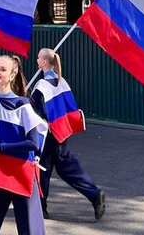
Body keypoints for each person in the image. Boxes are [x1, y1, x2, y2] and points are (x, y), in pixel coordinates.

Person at [0, 54, 47, 235]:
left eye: (2, 69)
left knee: (30, 230)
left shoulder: (23, 105)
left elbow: (34, 144)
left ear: (12, 75)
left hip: (22, 173)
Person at [29, 48, 105, 221]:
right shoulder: (62, 81)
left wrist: (25, 101)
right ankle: (94, 193)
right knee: (66, 168)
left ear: (44, 62)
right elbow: (70, 105)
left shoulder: (41, 86)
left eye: (39, 57)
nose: (37, 59)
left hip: (47, 134)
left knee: (42, 170)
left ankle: (40, 208)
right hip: (62, 131)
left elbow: (34, 111)